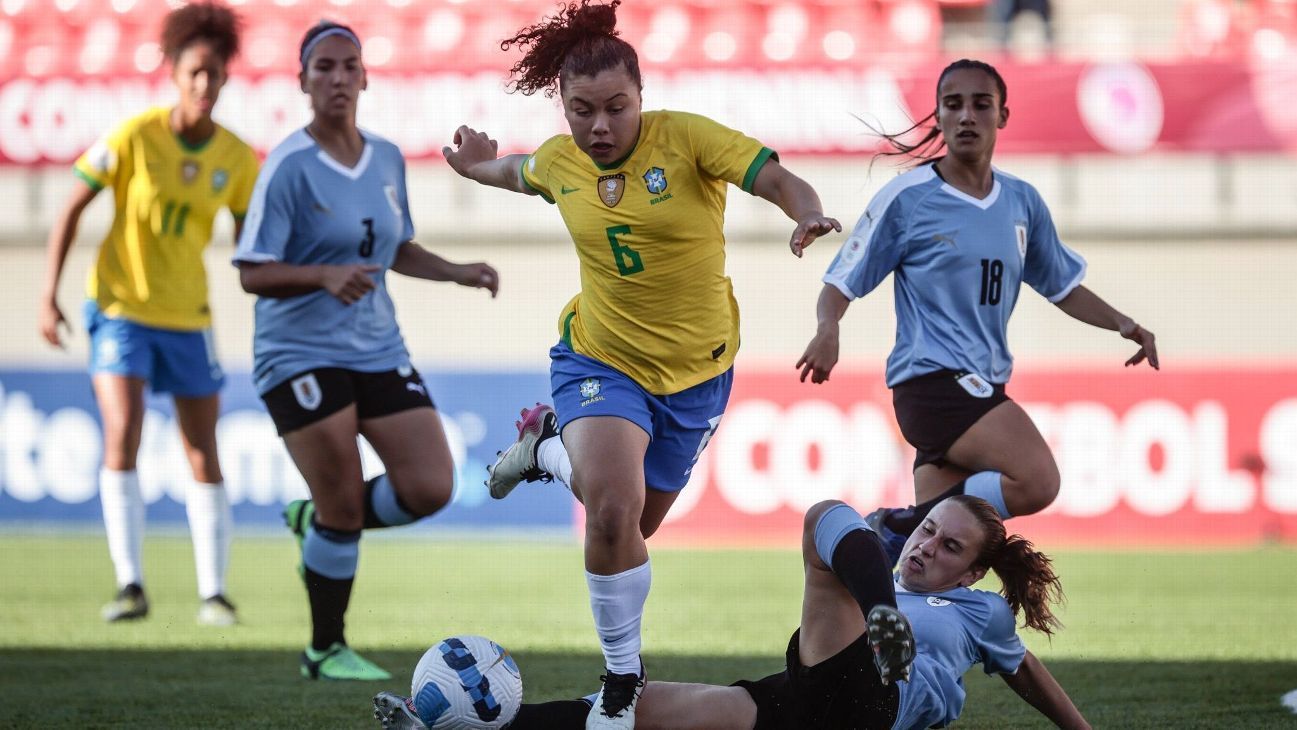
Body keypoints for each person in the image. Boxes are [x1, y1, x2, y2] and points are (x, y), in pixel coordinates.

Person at [442, 1, 840, 725]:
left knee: (631, 530)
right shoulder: (560, 161)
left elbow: (777, 179)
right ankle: (623, 680)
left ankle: (545, 452)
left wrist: (804, 213)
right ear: (562, 106)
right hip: (599, 359)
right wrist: (475, 167)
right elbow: (516, 171)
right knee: (612, 515)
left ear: (641, 98)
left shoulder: (685, 139)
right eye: (582, 111)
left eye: (616, 108)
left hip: (695, 377)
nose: (599, 127)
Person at [796, 59, 1159, 562]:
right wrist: (827, 327)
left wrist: (1124, 323)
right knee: (1037, 480)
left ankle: (891, 571)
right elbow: (842, 278)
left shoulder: (1021, 202)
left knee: (935, 561)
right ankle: (896, 523)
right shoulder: (909, 198)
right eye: (953, 104)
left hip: (986, 384)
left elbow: (1061, 284)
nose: (967, 115)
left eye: (980, 104)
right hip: (932, 384)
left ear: (1002, 116)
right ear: (939, 118)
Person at [233, 20, 499, 681]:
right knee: (345, 501)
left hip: (377, 347)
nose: (338, 78)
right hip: (298, 352)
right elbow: (252, 271)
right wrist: (321, 274)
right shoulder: (288, 167)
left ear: (365, 77)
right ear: (302, 81)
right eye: (323, 67)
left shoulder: (383, 157)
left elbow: (396, 248)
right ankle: (324, 648)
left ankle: (317, 524)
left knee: (432, 486)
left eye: (349, 66)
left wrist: (458, 271)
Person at [373, 495, 1090, 730]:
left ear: (972, 572)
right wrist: (903, 517)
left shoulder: (976, 615)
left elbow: (1024, 671)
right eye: (927, 528)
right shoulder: (889, 555)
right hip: (805, 698)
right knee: (633, 709)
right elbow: (878, 533)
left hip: (871, 699)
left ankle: (880, 624)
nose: (928, 546)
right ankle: (459, 725)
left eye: (949, 544)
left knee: (824, 516)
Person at [38, 1, 256, 627]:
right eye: (193, 73)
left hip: (189, 317)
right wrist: (46, 294)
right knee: (122, 432)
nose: (203, 85)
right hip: (120, 308)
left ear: (224, 78)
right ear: (174, 74)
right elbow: (70, 209)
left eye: (213, 74)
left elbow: (250, 244)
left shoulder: (238, 158)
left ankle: (214, 593)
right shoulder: (132, 138)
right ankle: (130, 584)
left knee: (201, 450)